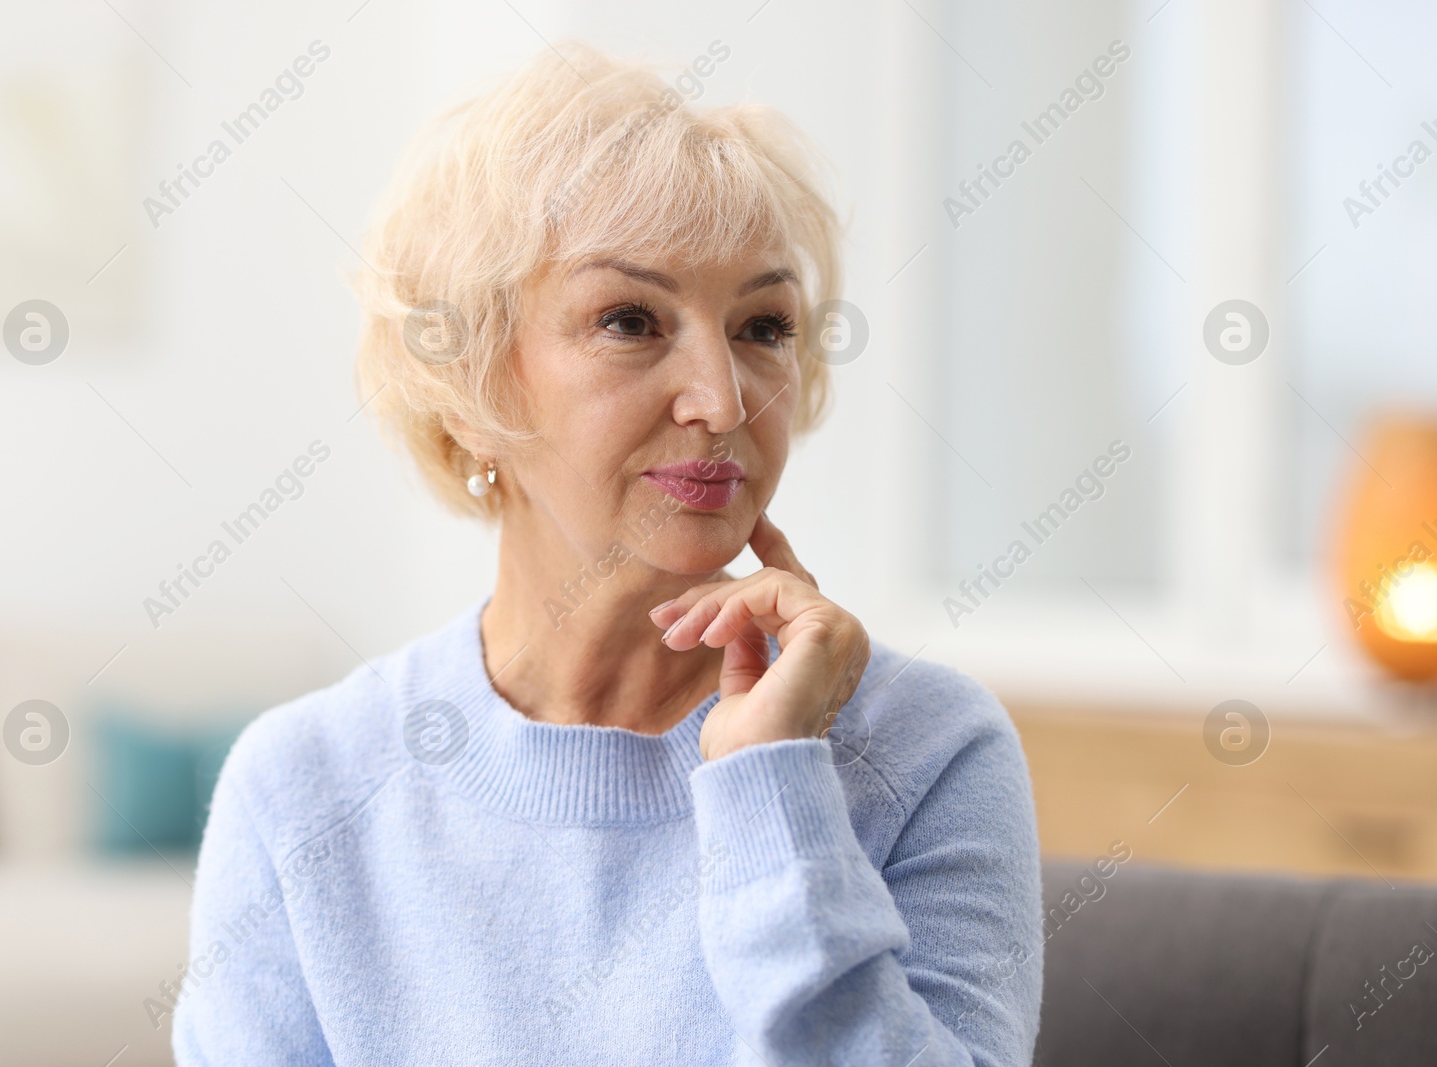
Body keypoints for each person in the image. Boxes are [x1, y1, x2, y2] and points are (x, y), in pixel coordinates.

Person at [173, 40, 1042, 1067]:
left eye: (762, 325)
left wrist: (772, 785)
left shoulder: (929, 751)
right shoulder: (304, 785)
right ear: (479, 380)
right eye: (630, 319)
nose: (720, 399)